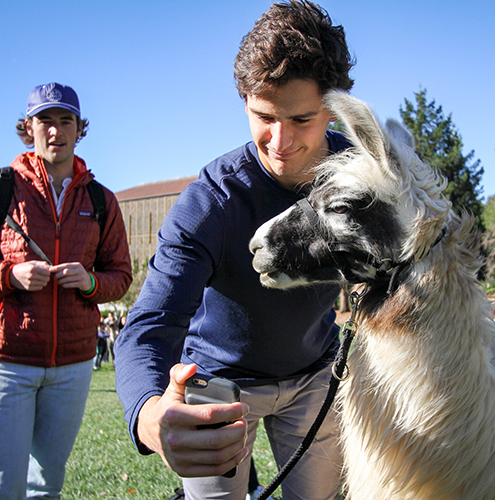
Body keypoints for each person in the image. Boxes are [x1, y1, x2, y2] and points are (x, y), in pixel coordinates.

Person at [114, 2, 354, 499]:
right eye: (263, 116)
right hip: (216, 381)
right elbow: (150, 324)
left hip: (315, 375)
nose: (280, 141)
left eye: (302, 119)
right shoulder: (211, 201)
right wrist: (150, 415)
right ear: (244, 99)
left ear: (335, 108)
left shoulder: (360, 177)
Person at [0, 82, 132, 499]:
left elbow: (121, 276)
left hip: (72, 367)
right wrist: (9, 275)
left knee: (47, 487)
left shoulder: (101, 201)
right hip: (5, 362)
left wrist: (90, 281)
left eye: (66, 121)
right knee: (0, 488)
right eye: (45, 121)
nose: (56, 132)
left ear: (80, 129)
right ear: (28, 127)